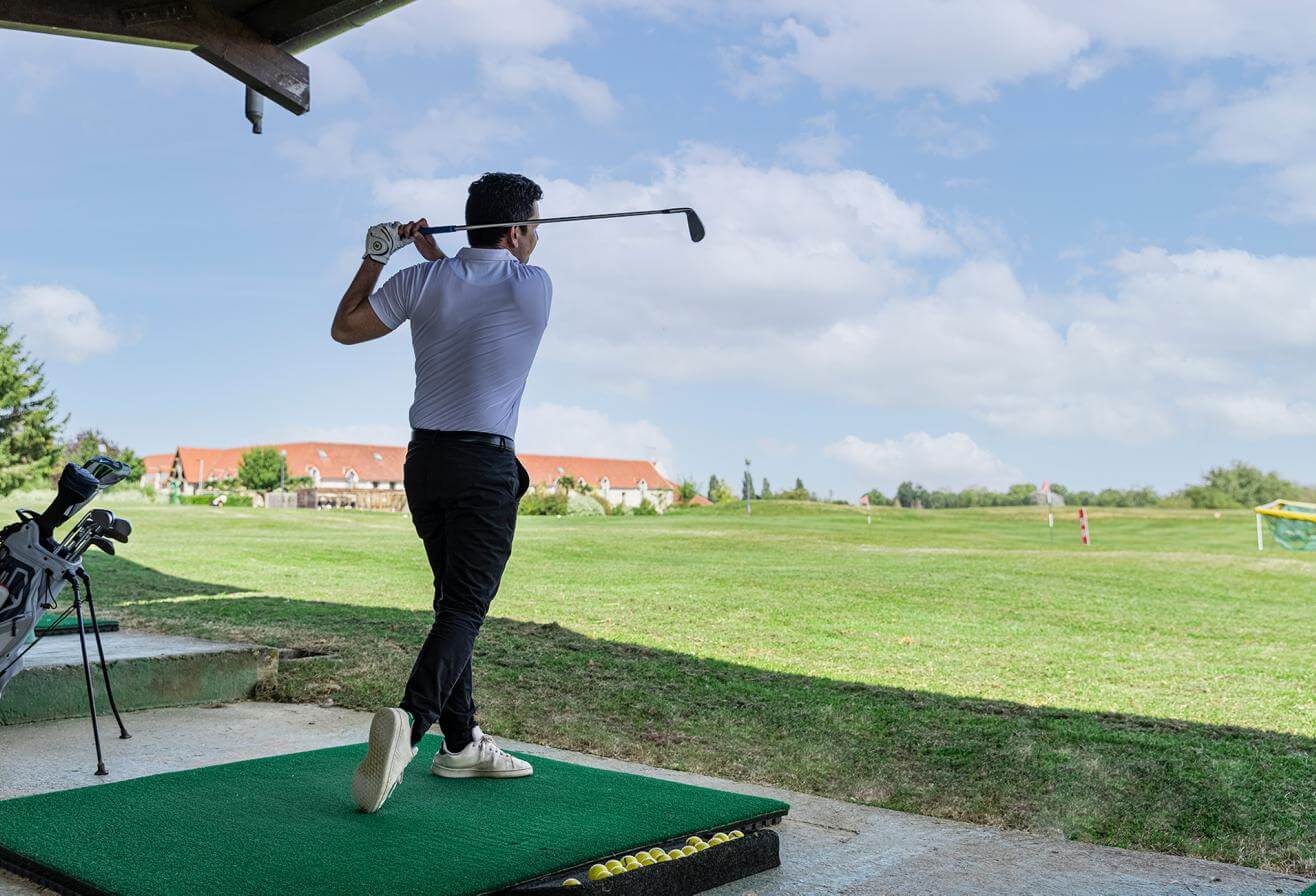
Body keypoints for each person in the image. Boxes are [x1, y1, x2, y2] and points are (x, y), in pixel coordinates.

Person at [331, 172, 549, 813]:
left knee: (452, 605)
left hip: (425, 463)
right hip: (484, 468)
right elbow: (482, 279)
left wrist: (378, 255)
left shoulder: (422, 281)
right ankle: (410, 723)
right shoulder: (534, 287)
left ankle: (461, 744)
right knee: (465, 610)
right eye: (534, 228)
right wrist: (439, 254)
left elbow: (346, 328)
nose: (536, 239)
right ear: (516, 232)